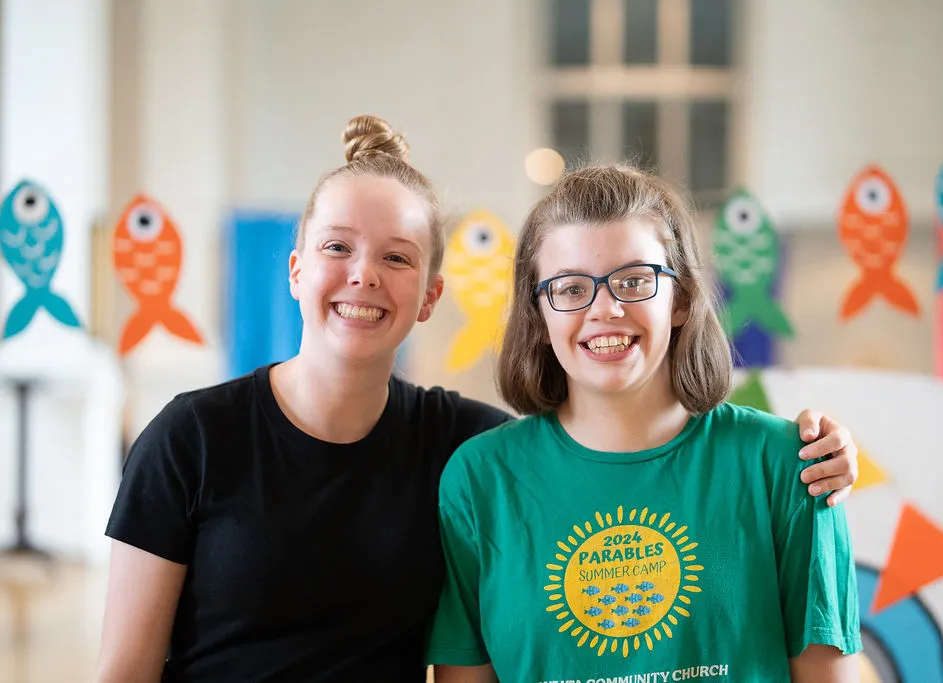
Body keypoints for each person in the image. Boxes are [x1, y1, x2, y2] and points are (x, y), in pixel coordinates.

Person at [95, 116, 859, 683]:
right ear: (294, 268)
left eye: (395, 257)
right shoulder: (194, 437)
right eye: (337, 247)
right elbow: (123, 667)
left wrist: (824, 452)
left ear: (429, 296)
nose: (364, 275)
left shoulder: (462, 448)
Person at [427, 165, 862, 682]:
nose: (605, 309)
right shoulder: (479, 481)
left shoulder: (790, 465)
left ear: (679, 300)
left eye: (634, 281)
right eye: (569, 288)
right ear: (538, 314)